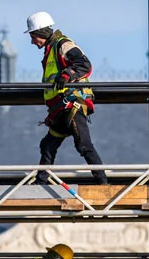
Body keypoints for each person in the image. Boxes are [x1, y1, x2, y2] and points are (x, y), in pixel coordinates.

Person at [25, 12, 104, 171]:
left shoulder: (63, 45)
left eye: (33, 36)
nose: (32, 41)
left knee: (84, 145)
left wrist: (67, 74)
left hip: (72, 106)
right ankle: (41, 182)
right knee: (48, 146)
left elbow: (84, 64)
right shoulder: (51, 51)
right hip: (61, 109)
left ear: (42, 32)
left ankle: (104, 184)